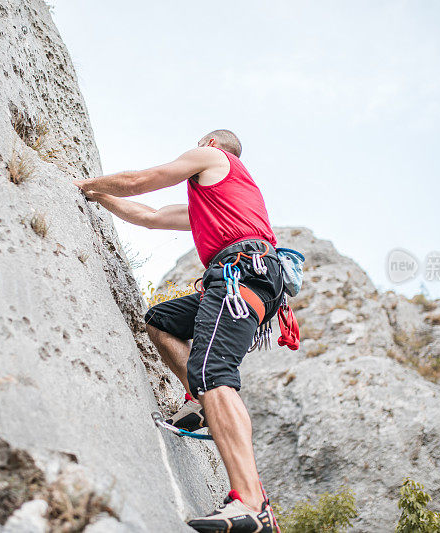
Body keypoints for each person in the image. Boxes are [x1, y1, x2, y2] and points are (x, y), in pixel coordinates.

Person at [74, 129, 282, 533]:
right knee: (161, 321)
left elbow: (142, 182)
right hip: (245, 276)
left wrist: (83, 183)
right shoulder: (214, 203)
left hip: (241, 274)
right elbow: (151, 218)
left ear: (209, 144)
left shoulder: (214, 158)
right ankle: (203, 403)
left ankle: (253, 505)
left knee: (214, 373)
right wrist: (99, 198)